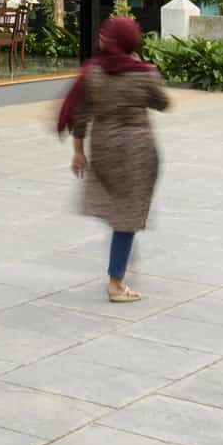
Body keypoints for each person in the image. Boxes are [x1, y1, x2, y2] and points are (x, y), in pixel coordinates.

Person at [57, 17, 169, 303]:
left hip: (104, 146)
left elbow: (81, 115)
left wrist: (78, 151)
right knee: (128, 215)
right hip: (138, 148)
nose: (100, 37)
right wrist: (146, 68)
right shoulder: (144, 74)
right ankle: (116, 284)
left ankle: (126, 256)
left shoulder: (93, 73)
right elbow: (163, 103)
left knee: (123, 210)